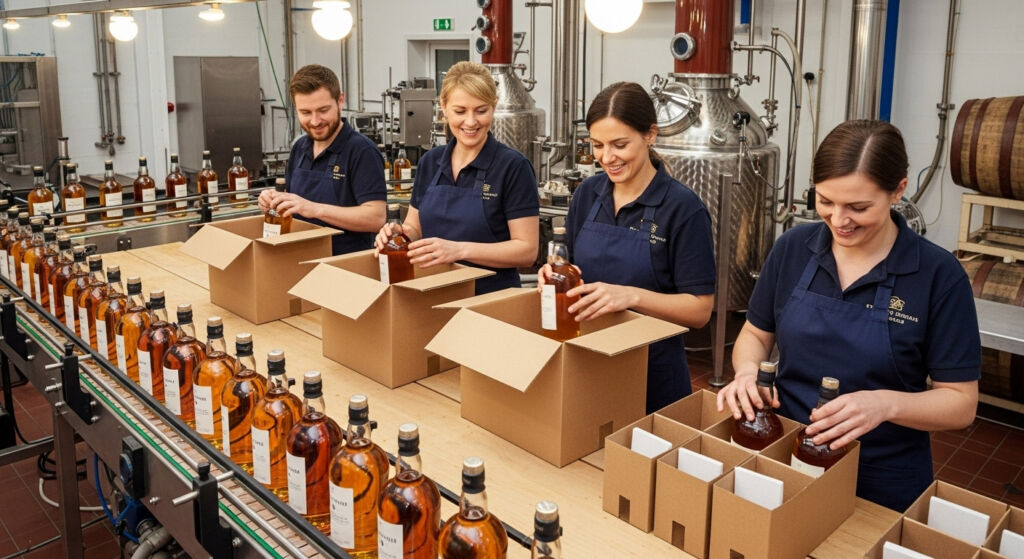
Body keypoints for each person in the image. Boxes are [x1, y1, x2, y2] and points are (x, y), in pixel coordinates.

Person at [716, 120, 980, 511]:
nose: (839, 220)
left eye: (858, 207)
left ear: (898, 191)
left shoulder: (937, 275)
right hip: (787, 451)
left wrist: (885, 405)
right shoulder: (793, 248)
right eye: (825, 201)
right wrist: (747, 373)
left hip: (881, 475)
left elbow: (961, 403)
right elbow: (756, 334)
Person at [539, 82, 716, 413]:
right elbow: (576, 269)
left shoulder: (682, 208)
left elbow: (700, 310)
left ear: (650, 135)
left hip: (653, 373)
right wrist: (555, 274)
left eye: (620, 144)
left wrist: (631, 296)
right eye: (597, 145)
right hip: (589, 360)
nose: (607, 158)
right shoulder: (588, 194)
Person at [374, 61, 538, 295]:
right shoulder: (431, 161)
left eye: (481, 111)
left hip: (490, 300)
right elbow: (414, 226)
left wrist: (460, 250)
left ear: (493, 107)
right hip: (431, 292)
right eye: (460, 111)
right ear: (444, 107)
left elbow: (527, 251)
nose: (471, 122)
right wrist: (398, 233)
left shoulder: (512, 166)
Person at [259, 64, 386, 255]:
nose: (315, 121)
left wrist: (314, 209)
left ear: (340, 101)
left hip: (346, 268)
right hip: (299, 260)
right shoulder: (299, 149)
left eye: (323, 110)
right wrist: (273, 203)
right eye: (306, 113)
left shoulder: (361, 151)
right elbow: (293, 205)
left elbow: (376, 218)